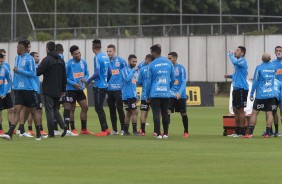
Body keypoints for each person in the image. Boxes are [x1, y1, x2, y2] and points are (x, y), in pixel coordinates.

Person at [0, 40, 44, 140]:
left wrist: (19, 70)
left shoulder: (30, 59)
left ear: (22, 48)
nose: (16, 49)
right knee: (16, 110)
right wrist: (14, 86)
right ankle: (10, 133)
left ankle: (38, 133)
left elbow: (33, 73)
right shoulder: (17, 58)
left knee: (33, 111)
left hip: (29, 89)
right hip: (19, 89)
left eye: (17, 48)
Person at [36, 41, 68, 138]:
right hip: (59, 90)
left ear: (47, 49)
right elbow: (64, 77)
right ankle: (64, 125)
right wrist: (63, 89)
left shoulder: (47, 59)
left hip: (49, 89)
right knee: (54, 109)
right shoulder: (61, 60)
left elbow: (38, 72)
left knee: (49, 110)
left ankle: (51, 133)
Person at [243, 53, 277, 138]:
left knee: (254, 113)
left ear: (262, 59)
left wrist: (251, 94)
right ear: (270, 59)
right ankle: (267, 133)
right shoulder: (273, 67)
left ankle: (250, 133)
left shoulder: (259, 68)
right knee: (269, 113)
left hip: (261, 95)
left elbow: (255, 81)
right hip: (271, 94)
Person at [145, 44, 175, 139]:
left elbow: (148, 82)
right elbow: (173, 79)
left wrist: (147, 95)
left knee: (156, 113)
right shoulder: (169, 63)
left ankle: (158, 134)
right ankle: (165, 133)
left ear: (153, 52)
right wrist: (168, 88)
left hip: (155, 93)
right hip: (165, 93)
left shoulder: (151, 65)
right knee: (165, 113)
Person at [87, 39, 111, 136]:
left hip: (98, 86)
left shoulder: (97, 57)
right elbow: (110, 73)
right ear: (100, 47)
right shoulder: (106, 57)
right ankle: (107, 129)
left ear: (93, 48)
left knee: (98, 108)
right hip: (104, 85)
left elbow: (96, 73)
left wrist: (88, 81)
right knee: (100, 107)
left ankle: (103, 130)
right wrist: (106, 82)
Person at [66, 45, 92, 135]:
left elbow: (87, 73)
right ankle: (73, 129)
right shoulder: (68, 64)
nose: (78, 55)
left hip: (80, 89)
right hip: (71, 89)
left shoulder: (83, 62)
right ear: (72, 55)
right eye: (76, 54)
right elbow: (64, 78)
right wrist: (74, 84)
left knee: (85, 107)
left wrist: (85, 78)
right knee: (72, 108)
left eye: (79, 53)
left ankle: (84, 129)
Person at [224, 46, 249, 137]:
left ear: (242, 53)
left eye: (237, 50)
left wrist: (230, 55)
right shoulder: (238, 63)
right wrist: (230, 76)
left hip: (242, 88)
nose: (235, 52)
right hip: (236, 88)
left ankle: (242, 131)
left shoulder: (242, 61)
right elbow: (237, 75)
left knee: (240, 110)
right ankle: (237, 130)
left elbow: (234, 61)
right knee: (235, 109)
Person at [23, 52, 48, 136]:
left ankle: (31, 129)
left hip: (36, 90)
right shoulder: (33, 67)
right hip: (33, 90)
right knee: (35, 110)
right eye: (36, 56)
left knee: (34, 110)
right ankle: (35, 129)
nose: (38, 58)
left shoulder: (35, 66)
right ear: (32, 58)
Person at [55, 43, 75, 136]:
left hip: (55, 87)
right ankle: (65, 128)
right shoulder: (61, 58)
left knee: (56, 107)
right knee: (67, 106)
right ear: (62, 51)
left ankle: (55, 129)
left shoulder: (51, 58)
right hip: (61, 87)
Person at [167, 52, 189, 138]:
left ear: (175, 58)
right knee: (167, 112)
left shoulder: (181, 68)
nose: (168, 60)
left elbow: (183, 81)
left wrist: (180, 92)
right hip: (171, 95)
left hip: (181, 95)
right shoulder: (168, 68)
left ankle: (186, 131)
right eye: (168, 58)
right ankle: (166, 132)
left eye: (170, 58)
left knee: (183, 113)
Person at [106, 44, 126, 135]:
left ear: (114, 51)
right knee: (111, 110)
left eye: (110, 51)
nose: (108, 53)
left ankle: (123, 129)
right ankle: (114, 130)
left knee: (120, 109)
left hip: (119, 89)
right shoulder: (106, 62)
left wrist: (124, 86)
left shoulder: (121, 61)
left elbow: (126, 72)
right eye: (107, 51)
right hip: (109, 89)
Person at [121, 54, 139, 136]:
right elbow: (127, 79)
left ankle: (125, 130)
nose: (134, 63)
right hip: (128, 95)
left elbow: (133, 84)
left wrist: (136, 95)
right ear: (129, 61)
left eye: (135, 61)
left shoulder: (135, 71)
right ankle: (135, 131)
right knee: (135, 111)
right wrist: (133, 71)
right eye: (133, 61)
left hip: (132, 95)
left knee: (129, 113)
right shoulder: (125, 69)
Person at [137, 54, 154, 136]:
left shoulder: (142, 69)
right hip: (154, 94)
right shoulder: (155, 69)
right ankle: (156, 131)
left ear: (147, 60)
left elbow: (139, 82)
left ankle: (142, 131)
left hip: (144, 94)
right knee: (156, 112)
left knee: (143, 112)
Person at [268, 46, 282, 136]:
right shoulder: (272, 63)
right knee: (272, 110)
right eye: (277, 51)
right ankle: (273, 131)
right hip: (275, 89)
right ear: (274, 52)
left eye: (280, 51)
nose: (278, 52)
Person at [0, 49, 13, 134]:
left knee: (11, 109)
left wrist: (5, 92)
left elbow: (10, 80)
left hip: (5, 92)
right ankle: (0, 129)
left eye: (2, 61)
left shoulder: (5, 67)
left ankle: (11, 128)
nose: (1, 63)